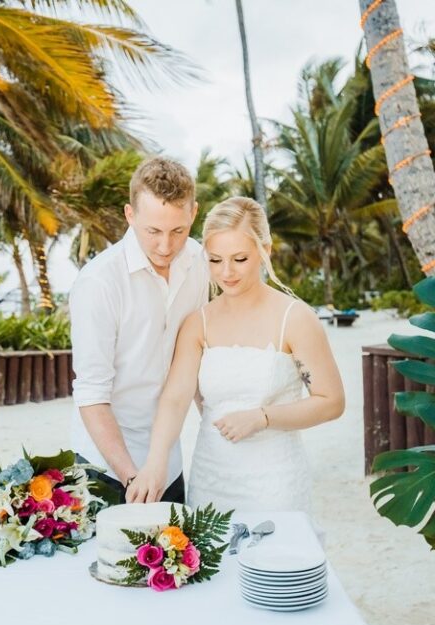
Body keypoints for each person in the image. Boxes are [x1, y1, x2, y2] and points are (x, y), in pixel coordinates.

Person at [126, 196, 345, 514]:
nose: (226, 272)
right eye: (215, 260)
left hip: (275, 483)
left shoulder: (295, 318)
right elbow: (175, 399)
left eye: (239, 259)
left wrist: (263, 417)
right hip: (211, 480)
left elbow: (331, 401)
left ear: (265, 251)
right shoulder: (197, 323)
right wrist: (154, 464)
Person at [69, 157, 210, 504]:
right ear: (130, 215)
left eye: (178, 231)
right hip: (105, 466)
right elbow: (91, 394)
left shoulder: (200, 263)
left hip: (170, 462)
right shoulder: (98, 282)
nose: (166, 246)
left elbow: (194, 356)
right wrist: (133, 476)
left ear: (193, 213)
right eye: (153, 231)